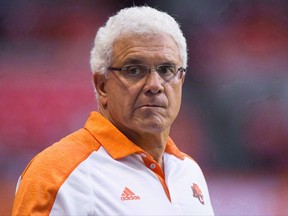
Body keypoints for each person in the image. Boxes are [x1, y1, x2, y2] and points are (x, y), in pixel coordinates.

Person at [12, 6, 214, 215]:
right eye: (134, 70)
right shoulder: (57, 172)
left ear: (181, 80)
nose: (155, 84)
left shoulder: (189, 172)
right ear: (102, 85)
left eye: (166, 70)